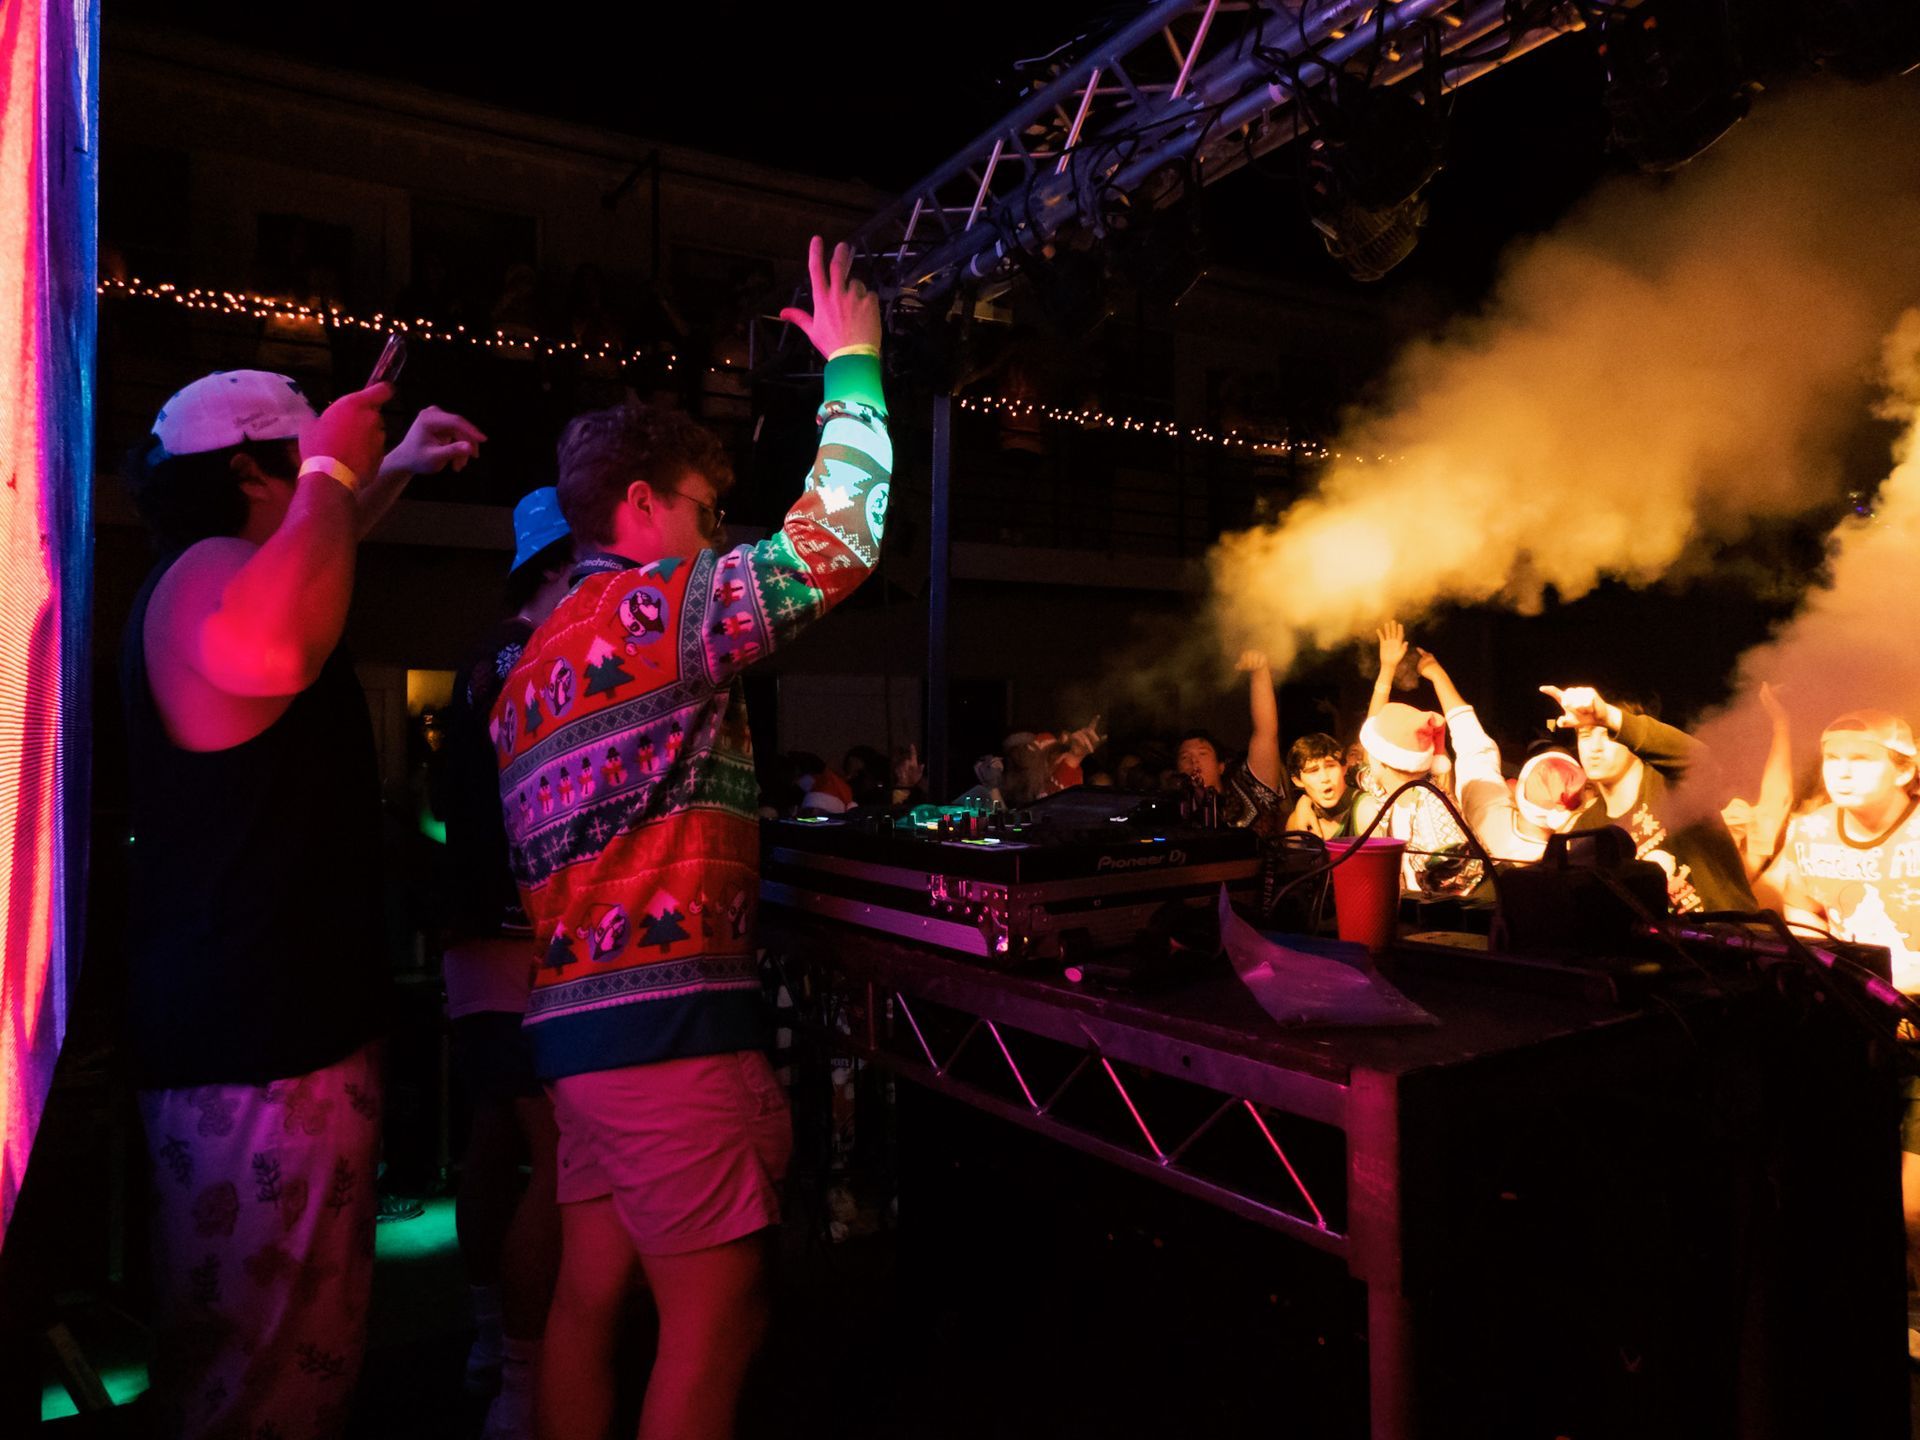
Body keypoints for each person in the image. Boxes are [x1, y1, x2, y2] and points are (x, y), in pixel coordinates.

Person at [493, 237, 889, 1440]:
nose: (718, 541)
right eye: (709, 514)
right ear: (642, 504)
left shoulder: (527, 666)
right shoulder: (655, 613)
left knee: (588, 1301)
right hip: (663, 1034)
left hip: (577, 1032)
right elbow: (842, 540)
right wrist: (856, 371)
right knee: (719, 1318)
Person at [120, 368, 483, 1440]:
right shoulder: (206, 576)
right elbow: (280, 636)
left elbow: (309, 568)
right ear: (248, 472)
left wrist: (390, 471)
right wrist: (334, 464)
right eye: (293, 472)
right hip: (260, 1047)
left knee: (270, 1348)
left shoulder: (224, 565)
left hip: (260, 1033)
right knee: (268, 1366)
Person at [432, 488, 573, 1440]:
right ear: (563, 564)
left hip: (474, 927)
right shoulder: (542, 657)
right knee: (560, 1152)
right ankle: (527, 1382)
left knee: (493, 1135)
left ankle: (490, 1337)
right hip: (527, 929)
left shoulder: (484, 656)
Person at [1774, 710, 1920, 1355]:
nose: (1841, 771)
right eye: (1834, 757)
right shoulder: (1808, 831)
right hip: (1849, 1027)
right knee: (1847, 1191)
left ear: (1906, 770)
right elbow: (1800, 911)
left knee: (1912, 1206)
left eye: (1861, 758)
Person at [1543, 684, 1757, 914]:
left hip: (1729, 940)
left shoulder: (1671, 783)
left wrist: (1609, 716)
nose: (1594, 748)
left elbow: (1699, 760)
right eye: (1585, 736)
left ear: (1629, 737)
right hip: (1651, 948)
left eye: (1609, 735)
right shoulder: (1587, 829)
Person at [1416, 649, 1587, 862]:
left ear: (1518, 792)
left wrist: (1436, 673)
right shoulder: (1581, 858)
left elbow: (1473, 745)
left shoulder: (1492, 821)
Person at [1360, 624, 1481, 896]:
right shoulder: (1386, 790)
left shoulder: (1433, 809)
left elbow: (1456, 888)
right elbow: (1374, 733)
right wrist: (1387, 670)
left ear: (1385, 761)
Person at [1285, 733, 1380, 841]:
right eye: (1313, 771)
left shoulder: (1366, 810)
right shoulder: (1297, 820)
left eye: (1330, 766)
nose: (1325, 778)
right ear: (1297, 780)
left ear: (1344, 768)